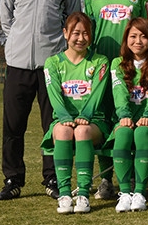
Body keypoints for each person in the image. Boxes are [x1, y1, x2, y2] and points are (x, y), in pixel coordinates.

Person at [0, 0, 81, 201]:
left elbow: (73, 19)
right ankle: (12, 179)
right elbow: (6, 20)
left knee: (54, 126)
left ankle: (53, 178)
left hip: (52, 67)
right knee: (13, 127)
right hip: (18, 66)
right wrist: (18, 44)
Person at [84, 0, 148, 200]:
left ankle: (131, 176)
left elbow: (147, 30)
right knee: (106, 121)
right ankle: (106, 179)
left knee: (131, 119)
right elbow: (88, 31)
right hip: (103, 69)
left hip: (132, 69)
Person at [41, 12, 110, 214]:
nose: (81, 38)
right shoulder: (53, 62)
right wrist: (64, 117)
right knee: (63, 131)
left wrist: (85, 116)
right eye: (75, 33)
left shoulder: (100, 61)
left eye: (86, 33)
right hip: (64, 121)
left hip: (93, 121)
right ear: (65, 33)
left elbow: (97, 94)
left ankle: (83, 194)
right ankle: (64, 194)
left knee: (82, 131)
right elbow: (54, 95)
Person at [108, 18, 148, 212]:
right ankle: (125, 193)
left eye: (143, 36)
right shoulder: (117, 63)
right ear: (126, 39)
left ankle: (140, 193)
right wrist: (124, 115)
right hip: (126, 120)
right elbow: (119, 94)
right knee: (123, 132)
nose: (138, 41)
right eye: (133, 36)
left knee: (142, 132)